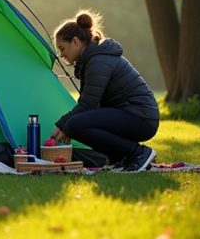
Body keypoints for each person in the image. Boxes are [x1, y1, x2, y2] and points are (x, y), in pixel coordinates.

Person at [50, 10, 159, 172]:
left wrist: (63, 124)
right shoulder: (93, 58)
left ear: (75, 42)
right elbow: (93, 106)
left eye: (62, 48)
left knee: (74, 125)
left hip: (141, 117)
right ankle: (120, 157)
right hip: (132, 114)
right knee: (76, 123)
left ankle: (138, 153)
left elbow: (88, 105)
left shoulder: (98, 61)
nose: (62, 55)